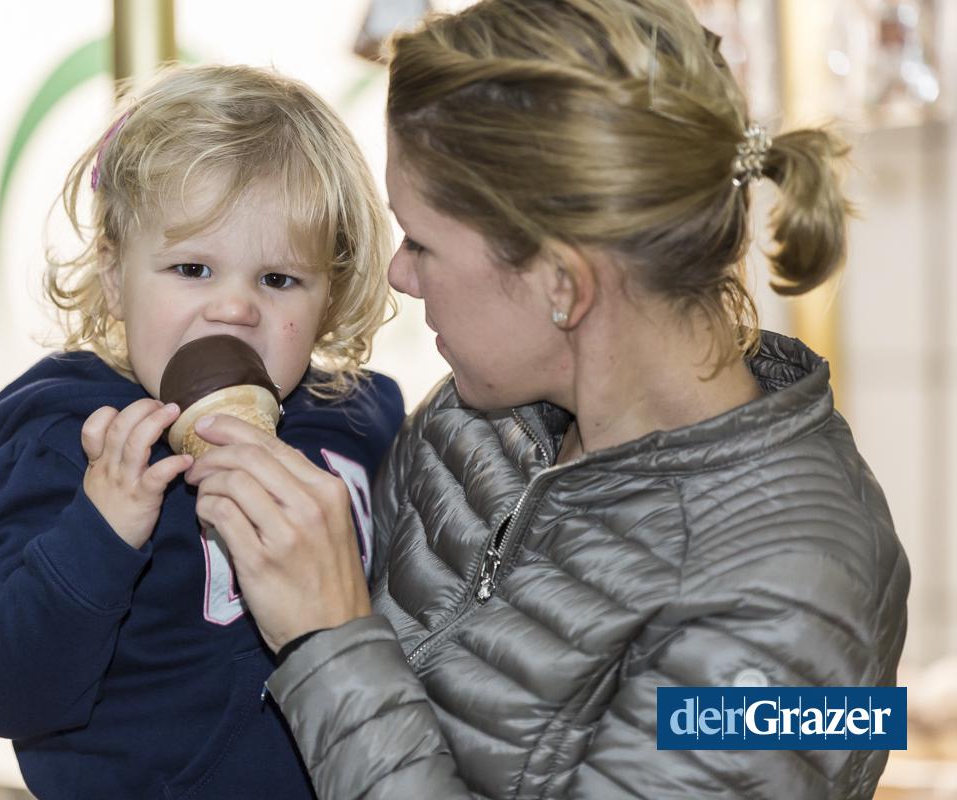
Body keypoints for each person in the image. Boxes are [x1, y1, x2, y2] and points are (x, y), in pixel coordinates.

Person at [184, 1, 911, 798]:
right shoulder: (474, 422)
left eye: (422, 240)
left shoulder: (806, 590)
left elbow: (340, 665)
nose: (400, 274)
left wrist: (328, 640)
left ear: (562, 283)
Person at [0, 64, 404, 799]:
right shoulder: (65, 446)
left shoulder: (359, 424)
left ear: (329, 298)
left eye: (278, 280)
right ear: (116, 276)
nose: (234, 308)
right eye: (193, 268)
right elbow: (0, 689)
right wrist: (99, 534)